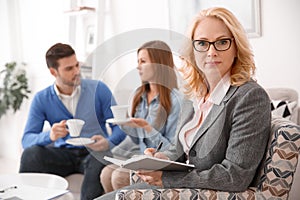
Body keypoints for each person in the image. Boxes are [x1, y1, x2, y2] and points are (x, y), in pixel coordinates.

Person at [96, 7, 271, 199]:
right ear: (193, 50)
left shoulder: (249, 97)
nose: (211, 52)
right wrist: (160, 158)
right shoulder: (194, 95)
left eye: (222, 42)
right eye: (202, 43)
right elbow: (178, 151)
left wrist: (167, 179)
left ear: (236, 48)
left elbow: (235, 175)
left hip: (196, 193)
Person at [19, 43, 126, 200]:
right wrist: (50, 136)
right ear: (53, 72)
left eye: (77, 65)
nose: (76, 71)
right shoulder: (41, 99)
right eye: (69, 69)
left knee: (99, 155)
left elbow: (120, 128)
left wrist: (108, 143)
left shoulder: (99, 89)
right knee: (31, 154)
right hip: (62, 155)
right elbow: (27, 140)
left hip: (94, 152)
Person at [100, 40, 185, 193]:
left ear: (159, 64)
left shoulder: (176, 101)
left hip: (162, 162)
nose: (138, 66)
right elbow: (136, 140)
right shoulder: (138, 96)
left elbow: (173, 150)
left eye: (143, 61)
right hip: (141, 158)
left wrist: (147, 127)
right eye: (138, 61)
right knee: (106, 173)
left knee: (119, 177)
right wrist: (125, 125)